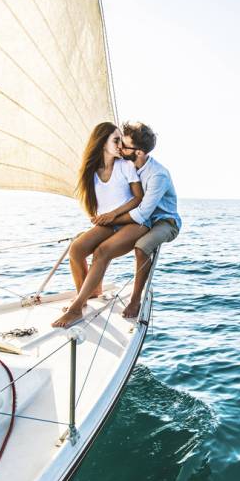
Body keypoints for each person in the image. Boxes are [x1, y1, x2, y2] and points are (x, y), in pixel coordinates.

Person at [51, 122, 149, 328]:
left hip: (132, 221)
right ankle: (87, 294)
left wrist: (113, 214)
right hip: (108, 224)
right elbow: (91, 202)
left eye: (121, 140)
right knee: (76, 248)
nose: (120, 145)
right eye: (116, 140)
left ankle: (76, 308)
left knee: (102, 252)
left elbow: (138, 198)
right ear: (101, 142)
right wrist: (98, 218)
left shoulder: (125, 166)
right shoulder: (92, 171)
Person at [97, 121, 181, 320]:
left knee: (142, 247)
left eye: (125, 146)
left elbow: (143, 213)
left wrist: (111, 219)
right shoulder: (127, 165)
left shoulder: (157, 175)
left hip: (164, 221)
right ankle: (93, 291)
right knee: (98, 244)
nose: (120, 148)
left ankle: (135, 300)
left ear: (140, 153)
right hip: (141, 219)